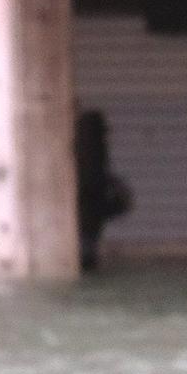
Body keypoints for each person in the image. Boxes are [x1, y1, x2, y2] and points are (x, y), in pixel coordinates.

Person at [74, 109, 133, 274]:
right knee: (86, 248)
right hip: (89, 208)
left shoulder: (85, 147)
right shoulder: (92, 149)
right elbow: (94, 178)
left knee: (86, 245)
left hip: (88, 207)